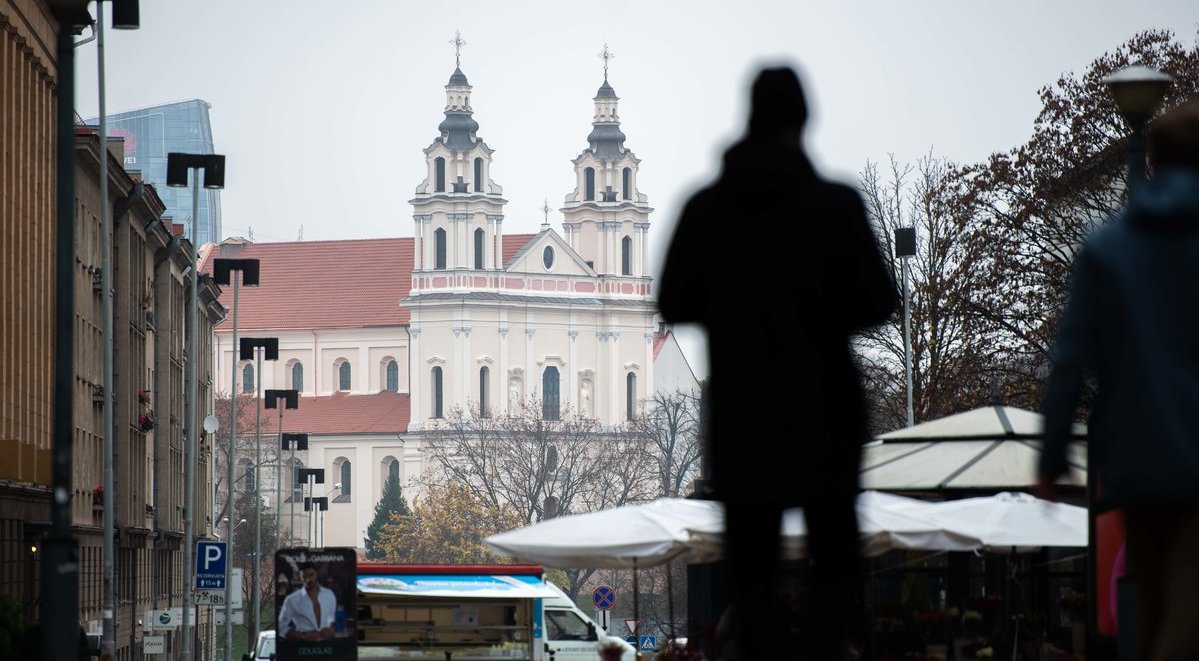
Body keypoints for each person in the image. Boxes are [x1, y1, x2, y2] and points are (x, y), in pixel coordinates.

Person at [658, 65, 897, 660]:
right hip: (827, 417)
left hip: (744, 419)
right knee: (838, 576)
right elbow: (879, 301)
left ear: (750, 117)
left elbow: (673, 299)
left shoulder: (708, 208)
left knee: (752, 582)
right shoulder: (835, 204)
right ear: (804, 120)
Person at [1038, 99, 1199, 661]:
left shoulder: (1106, 247)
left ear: (1152, 160)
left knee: (1153, 600)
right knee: (1186, 605)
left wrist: (1052, 454)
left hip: (1133, 458)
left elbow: (1068, 359)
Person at [278, 563, 338, 641]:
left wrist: (330, 629)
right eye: (304, 576)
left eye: (311, 575)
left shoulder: (329, 594)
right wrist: (303, 635)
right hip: (302, 647)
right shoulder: (292, 599)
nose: (308, 580)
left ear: (316, 574)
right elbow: (281, 626)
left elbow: (332, 617)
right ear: (300, 577)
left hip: (327, 645)